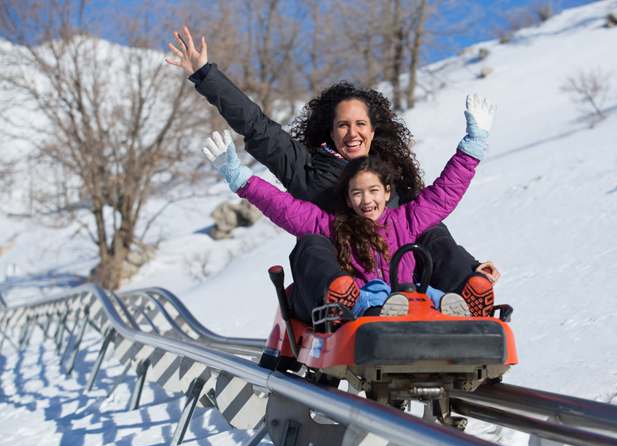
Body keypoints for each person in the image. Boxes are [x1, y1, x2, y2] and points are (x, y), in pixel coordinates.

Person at [166, 26, 500, 320]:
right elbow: (258, 128)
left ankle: (467, 290)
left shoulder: (391, 179)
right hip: (333, 286)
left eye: (360, 124)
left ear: (373, 130)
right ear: (331, 130)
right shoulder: (307, 168)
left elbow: (436, 208)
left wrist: (471, 267)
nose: (352, 133)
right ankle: (344, 298)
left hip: (403, 286)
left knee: (431, 228)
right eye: (343, 125)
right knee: (311, 242)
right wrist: (206, 75)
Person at [201, 92, 496, 319]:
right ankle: (359, 310)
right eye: (357, 193)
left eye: (373, 191)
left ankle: (459, 303)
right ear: (347, 197)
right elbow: (282, 207)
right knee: (371, 292)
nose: (366, 200)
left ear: (387, 191)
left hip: (411, 297)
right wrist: (238, 176)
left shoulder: (407, 218)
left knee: (429, 292)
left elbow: (444, 193)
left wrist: (474, 142)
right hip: (365, 299)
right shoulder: (332, 224)